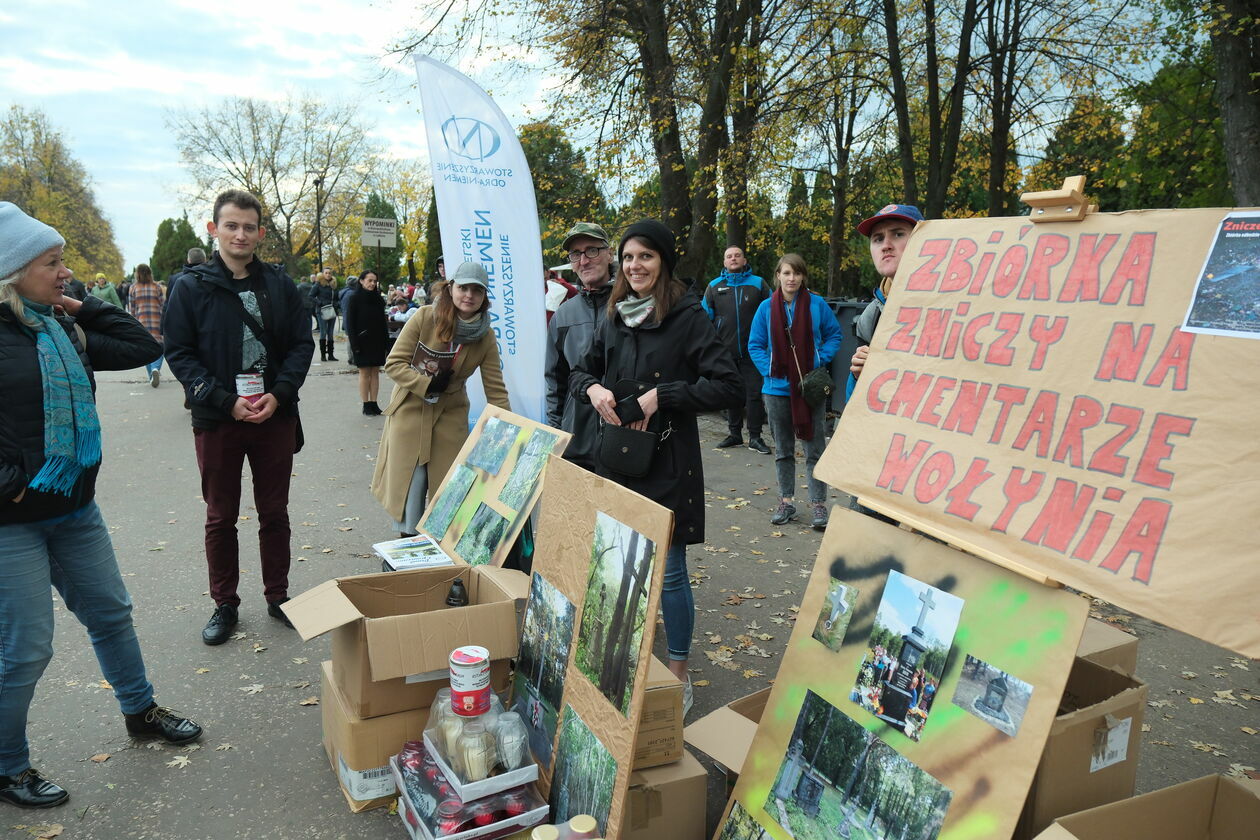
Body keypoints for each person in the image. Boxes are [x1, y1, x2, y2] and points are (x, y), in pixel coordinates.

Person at [0, 202, 201, 809]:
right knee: (28, 646)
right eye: (51, 263)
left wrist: (76, 304)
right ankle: (8, 766)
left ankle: (140, 710)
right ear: (12, 272)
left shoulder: (62, 327)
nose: (65, 272)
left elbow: (141, 344)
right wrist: (10, 481)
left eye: (63, 262)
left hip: (74, 509)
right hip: (12, 521)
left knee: (112, 613)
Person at [569, 220, 743, 715]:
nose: (634, 266)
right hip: (618, 461)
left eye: (645, 256)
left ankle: (678, 673)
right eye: (628, 258)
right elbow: (582, 369)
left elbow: (729, 386)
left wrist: (662, 396)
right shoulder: (615, 315)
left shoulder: (688, 318)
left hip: (668, 463)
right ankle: (623, 659)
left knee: (668, 572)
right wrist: (594, 389)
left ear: (663, 261)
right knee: (619, 562)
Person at [163, 189, 314, 646]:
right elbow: (180, 352)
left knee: (274, 511)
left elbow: (301, 345)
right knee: (220, 515)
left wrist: (280, 392)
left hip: (274, 415)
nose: (240, 234)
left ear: (260, 233)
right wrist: (224, 400)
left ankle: (278, 595)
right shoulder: (190, 287)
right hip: (218, 418)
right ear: (214, 230)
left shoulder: (280, 285)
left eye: (249, 227)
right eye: (231, 225)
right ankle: (224, 603)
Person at [372, 262, 511, 536]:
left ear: (484, 298)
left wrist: (509, 432)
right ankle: (405, 555)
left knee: (447, 496)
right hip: (410, 411)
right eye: (463, 287)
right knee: (410, 493)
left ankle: (439, 562)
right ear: (451, 288)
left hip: (450, 417)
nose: (469, 295)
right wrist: (426, 383)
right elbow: (394, 364)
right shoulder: (425, 316)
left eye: (477, 290)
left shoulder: (485, 337)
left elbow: (496, 390)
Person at [748, 253, 842, 530]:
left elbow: (834, 334)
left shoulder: (817, 305)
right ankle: (786, 501)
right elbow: (755, 344)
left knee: (814, 448)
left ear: (803, 277)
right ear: (777, 275)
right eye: (786, 273)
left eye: (797, 274)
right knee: (783, 450)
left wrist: (817, 359)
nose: (792, 279)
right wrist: (770, 369)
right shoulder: (766, 308)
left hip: (808, 386)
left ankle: (818, 505)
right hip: (776, 388)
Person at [847, 203, 923, 522]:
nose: (886, 244)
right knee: (860, 560)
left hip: (925, 471)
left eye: (898, 234)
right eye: (877, 238)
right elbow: (856, 403)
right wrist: (861, 372)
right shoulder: (872, 314)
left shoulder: (952, 307)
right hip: (874, 461)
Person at [544, 221, 615, 471]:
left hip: (625, 440)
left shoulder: (632, 306)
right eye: (576, 254)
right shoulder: (563, 315)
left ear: (609, 253)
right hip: (576, 443)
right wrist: (556, 434)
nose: (584, 260)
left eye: (592, 250)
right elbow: (555, 381)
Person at [702, 246, 773, 454]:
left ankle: (755, 437)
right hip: (725, 351)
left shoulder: (758, 284)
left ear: (744, 260)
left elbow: (773, 311)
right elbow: (704, 319)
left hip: (755, 351)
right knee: (731, 393)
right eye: (729, 256)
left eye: (737, 255)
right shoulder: (714, 286)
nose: (733, 259)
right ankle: (734, 434)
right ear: (724, 262)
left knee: (753, 394)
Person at [346, 269, 389, 415]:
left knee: (375, 373)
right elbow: (350, 324)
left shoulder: (378, 299)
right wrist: (354, 345)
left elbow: (383, 323)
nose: (372, 283)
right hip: (361, 341)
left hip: (377, 341)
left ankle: (374, 402)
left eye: (374, 281)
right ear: (361, 281)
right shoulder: (354, 298)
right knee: (364, 373)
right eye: (369, 280)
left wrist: (386, 343)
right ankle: (366, 404)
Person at [127, 263, 166, 388]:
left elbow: (132, 309)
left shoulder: (133, 288)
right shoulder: (157, 287)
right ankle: (156, 369)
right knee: (160, 348)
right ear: (150, 273)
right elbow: (163, 305)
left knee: (146, 350)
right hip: (157, 321)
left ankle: (151, 375)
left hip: (141, 322)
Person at [309, 270, 338, 362]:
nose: (328, 274)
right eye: (326, 273)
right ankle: (323, 355)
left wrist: (337, 304)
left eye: (330, 273)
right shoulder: (318, 284)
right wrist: (320, 303)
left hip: (332, 311)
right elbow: (311, 296)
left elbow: (337, 297)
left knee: (330, 333)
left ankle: (331, 355)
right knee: (323, 332)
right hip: (321, 311)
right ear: (323, 274)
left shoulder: (333, 285)